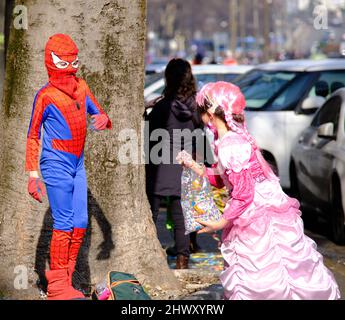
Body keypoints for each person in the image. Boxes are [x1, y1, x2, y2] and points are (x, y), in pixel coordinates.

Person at [178, 81, 341, 300]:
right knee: (287, 270)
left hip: (255, 218)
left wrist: (221, 222)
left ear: (209, 113)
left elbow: (243, 192)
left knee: (258, 276)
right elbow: (229, 179)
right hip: (270, 211)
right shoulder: (236, 139)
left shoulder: (229, 144)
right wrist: (197, 168)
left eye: (200, 111)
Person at [26, 34, 112, 300]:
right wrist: (32, 174)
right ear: (53, 61)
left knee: (81, 221)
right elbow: (32, 135)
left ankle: (67, 280)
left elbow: (99, 113)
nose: (71, 65)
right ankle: (56, 288)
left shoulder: (82, 87)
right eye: (66, 60)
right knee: (63, 222)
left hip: (78, 164)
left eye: (74, 59)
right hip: (55, 164)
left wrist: (103, 119)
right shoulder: (45, 96)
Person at [145, 58, 203, 269]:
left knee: (150, 213)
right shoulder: (196, 106)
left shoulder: (163, 107)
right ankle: (182, 260)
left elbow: (149, 134)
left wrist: (145, 110)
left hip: (160, 166)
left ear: (168, 78)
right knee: (181, 217)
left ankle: (150, 255)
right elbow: (200, 135)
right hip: (185, 166)